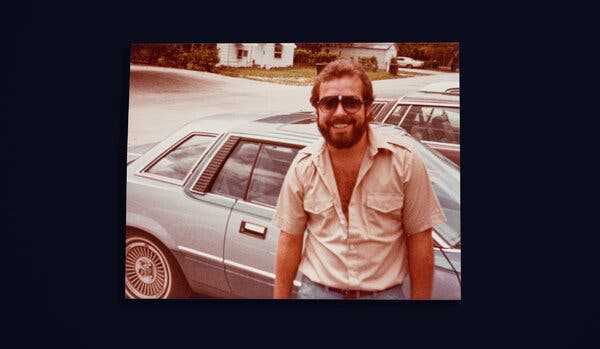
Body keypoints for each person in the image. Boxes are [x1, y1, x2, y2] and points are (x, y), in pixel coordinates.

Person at [271, 59, 446, 300]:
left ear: (368, 106)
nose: (340, 112)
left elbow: (420, 241)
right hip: (317, 294)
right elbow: (290, 240)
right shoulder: (303, 166)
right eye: (329, 103)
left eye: (351, 102)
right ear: (318, 110)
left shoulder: (404, 162)